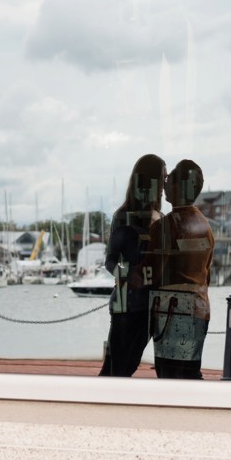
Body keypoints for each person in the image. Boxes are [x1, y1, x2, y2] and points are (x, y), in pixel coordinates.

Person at [146, 159, 214, 379]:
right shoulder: (204, 225)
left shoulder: (165, 226)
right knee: (190, 373)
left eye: (169, 180)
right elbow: (207, 272)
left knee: (169, 375)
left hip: (170, 311)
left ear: (179, 187)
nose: (164, 185)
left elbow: (152, 273)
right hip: (199, 308)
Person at [98, 154, 165, 377]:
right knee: (116, 370)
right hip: (126, 308)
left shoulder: (160, 218)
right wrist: (130, 274)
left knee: (124, 368)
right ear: (150, 182)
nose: (165, 185)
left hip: (148, 309)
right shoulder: (123, 217)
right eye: (162, 179)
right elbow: (110, 261)